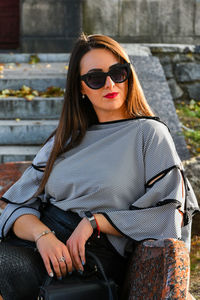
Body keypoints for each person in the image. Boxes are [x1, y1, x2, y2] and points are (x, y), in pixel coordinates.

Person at [0, 33, 199, 300]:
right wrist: (41, 235)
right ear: (81, 87)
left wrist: (96, 221)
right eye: (95, 78)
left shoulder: (148, 134)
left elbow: (167, 216)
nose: (109, 83)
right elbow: (18, 206)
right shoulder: (65, 139)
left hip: (88, 257)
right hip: (38, 245)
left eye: (118, 73)